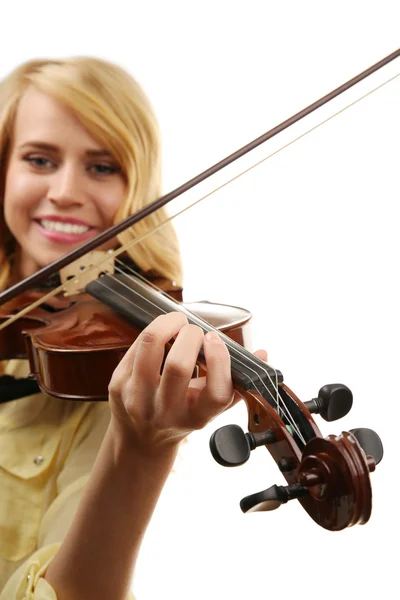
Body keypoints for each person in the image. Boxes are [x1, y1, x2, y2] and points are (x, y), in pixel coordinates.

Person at [0, 57, 267, 600]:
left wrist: (141, 451)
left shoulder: (114, 376)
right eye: (40, 159)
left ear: (136, 185)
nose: (67, 191)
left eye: (102, 167)